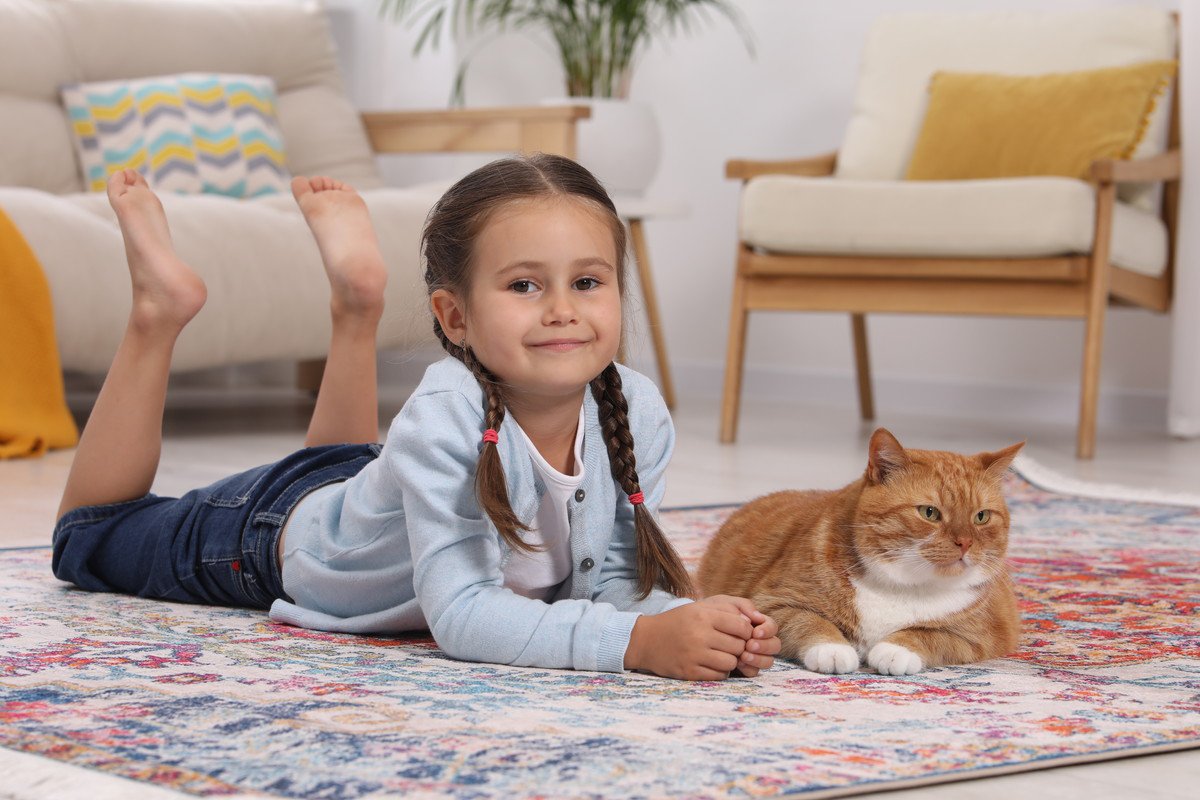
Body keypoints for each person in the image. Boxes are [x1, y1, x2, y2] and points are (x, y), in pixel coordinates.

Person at [52, 155, 781, 681]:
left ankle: (355, 303)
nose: (563, 308)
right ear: (454, 316)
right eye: (525, 285)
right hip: (272, 537)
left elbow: (617, 581)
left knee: (349, 471)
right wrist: (639, 644)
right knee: (88, 537)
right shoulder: (446, 417)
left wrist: (697, 625)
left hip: (363, 493)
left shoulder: (636, 409)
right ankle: (159, 311)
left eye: (588, 282)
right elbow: (462, 616)